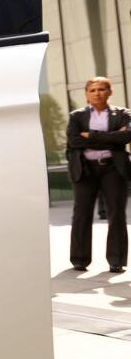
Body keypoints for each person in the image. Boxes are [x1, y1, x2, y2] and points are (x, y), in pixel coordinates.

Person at [67, 76, 131, 273]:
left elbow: (127, 135)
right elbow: (75, 142)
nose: (97, 93)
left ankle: (116, 260)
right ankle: (79, 259)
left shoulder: (123, 114)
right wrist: (113, 138)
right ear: (87, 94)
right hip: (86, 168)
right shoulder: (77, 116)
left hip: (113, 168)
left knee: (116, 214)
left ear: (110, 91)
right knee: (81, 214)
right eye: (93, 90)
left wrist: (91, 136)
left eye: (102, 89)